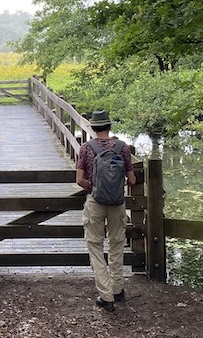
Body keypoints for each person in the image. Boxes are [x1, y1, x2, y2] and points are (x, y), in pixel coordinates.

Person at [75, 109, 135, 312]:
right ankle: (118, 290)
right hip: (117, 204)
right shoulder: (123, 148)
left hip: (95, 203)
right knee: (117, 244)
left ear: (93, 127)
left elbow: (79, 180)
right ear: (109, 126)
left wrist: (94, 188)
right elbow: (133, 180)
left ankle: (105, 295)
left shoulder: (86, 148)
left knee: (95, 246)